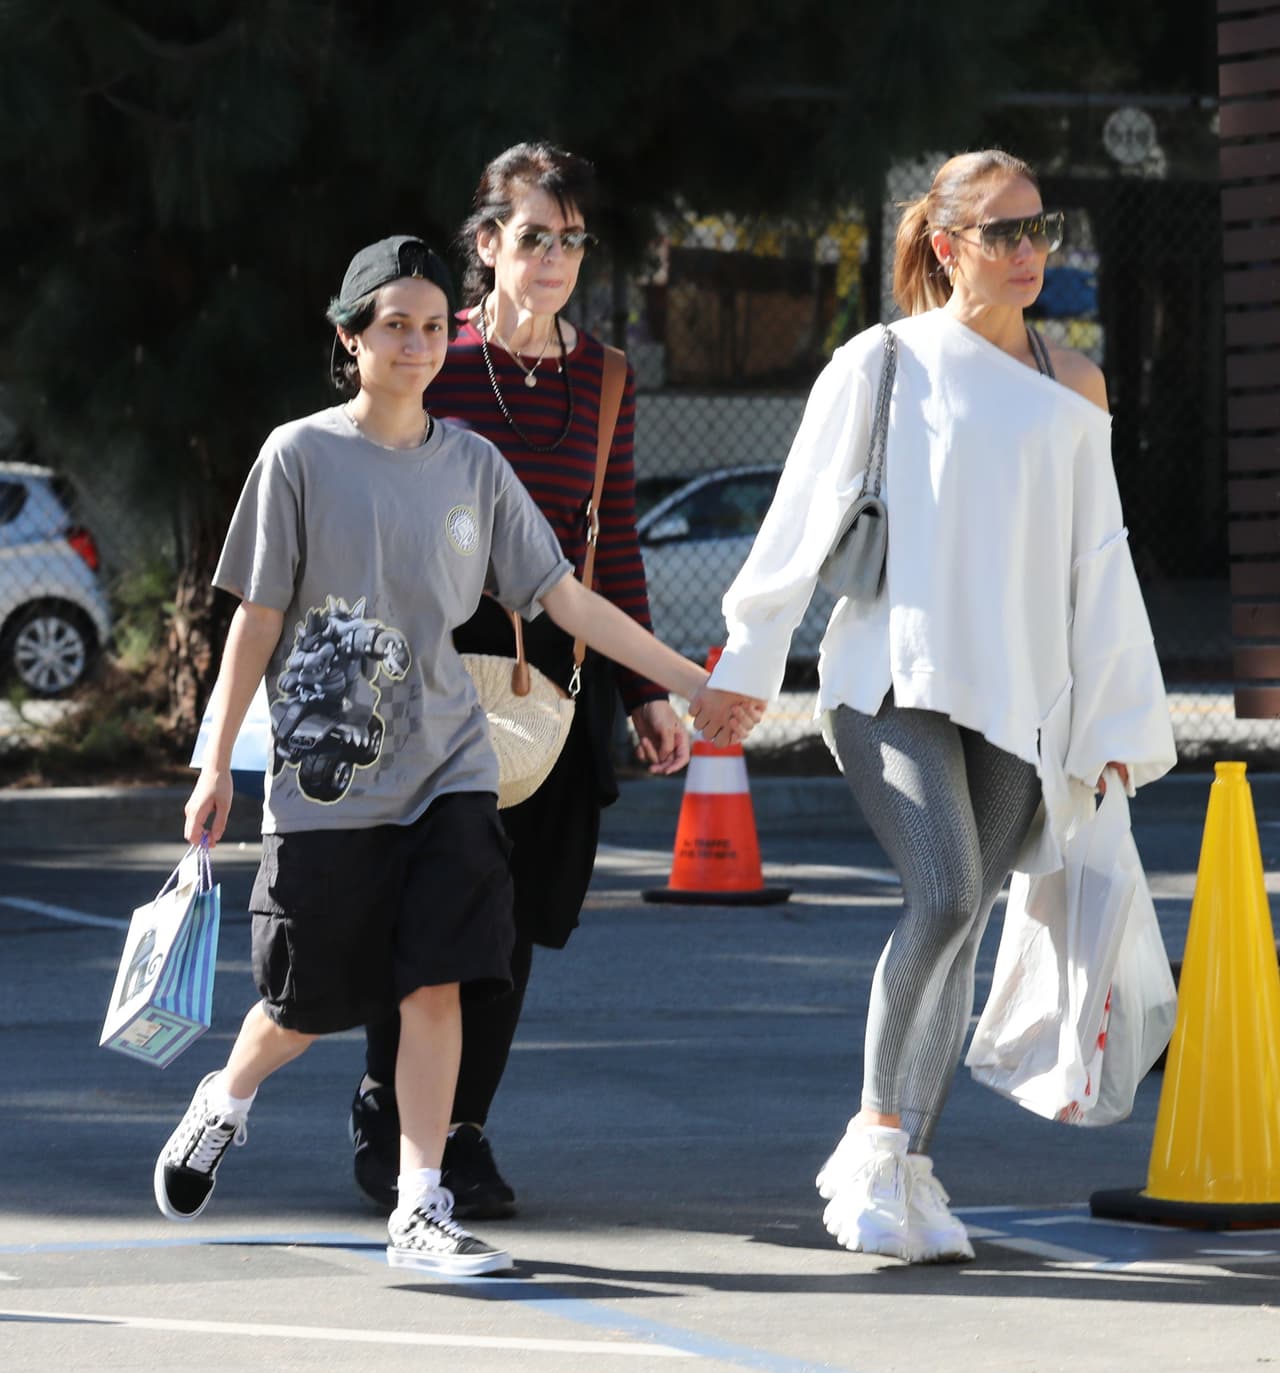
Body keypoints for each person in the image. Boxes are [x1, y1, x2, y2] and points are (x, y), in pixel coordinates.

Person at [155, 235, 729, 1277]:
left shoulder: (471, 461)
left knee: (440, 981)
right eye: (393, 327)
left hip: (450, 767)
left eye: (430, 325)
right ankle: (224, 1096)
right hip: (331, 775)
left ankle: (419, 1207)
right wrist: (211, 764)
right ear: (349, 338)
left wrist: (686, 680)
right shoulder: (298, 456)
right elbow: (255, 619)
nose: (416, 344)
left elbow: (563, 596)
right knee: (307, 1001)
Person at [695, 150, 1176, 1263]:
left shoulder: (1075, 384)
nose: (1026, 253)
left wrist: (1110, 722)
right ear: (945, 244)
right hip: (890, 683)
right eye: (1001, 233)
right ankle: (869, 1145)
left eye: (1038, 229)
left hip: (1020, 698)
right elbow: (798, 519)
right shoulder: (881, 363)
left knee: (961, 919)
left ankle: (907, 1169)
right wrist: (744, 667)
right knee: (948, 889)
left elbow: (1096, 564)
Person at [350, 143, 694, 1219]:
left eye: (570, 239)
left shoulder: (604, 379)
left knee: (512, 918)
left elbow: (614, 539)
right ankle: (394, 1119)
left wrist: (646, 693)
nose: (551, 258)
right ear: (486, 243)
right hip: (430, 664)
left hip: (555, 676)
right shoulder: (433, 361)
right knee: (434, 902)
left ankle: (461, 1128)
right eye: (531, 235)